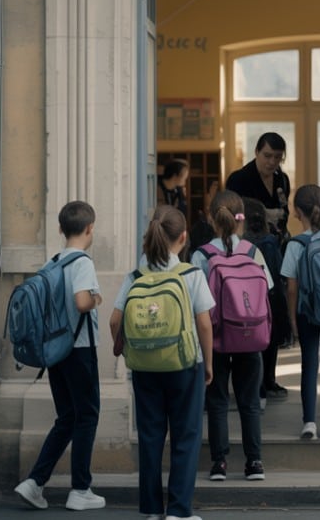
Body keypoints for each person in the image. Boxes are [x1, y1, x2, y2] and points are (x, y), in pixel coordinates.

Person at [109, 205, 214, 520]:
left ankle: (152, 508)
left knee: (150, 436)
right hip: (184, 364)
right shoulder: (190, 274)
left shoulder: (135, 276)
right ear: (183, 237)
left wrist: (125, 351)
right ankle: (179, 510)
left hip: (145, 366)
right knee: (186, 435)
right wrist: (208, 364)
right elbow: (204, 324)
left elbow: (114, 320)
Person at [14, 201, 107, 512]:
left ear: (60, 229)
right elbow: (81, 302)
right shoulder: (83, 263)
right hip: (80, 349)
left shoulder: (51, 262)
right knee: (87, 416)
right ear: (90, 228)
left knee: (67, 417)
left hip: (56, 351)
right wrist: (96, 298)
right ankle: (80, 489)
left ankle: (34, 482)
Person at [190, 190, 273, 482]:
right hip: (250, 336)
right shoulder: (252, 251)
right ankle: (254, 462)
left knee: (217, 401)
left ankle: (219, 463)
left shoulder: (201, 255)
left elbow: (196, 302)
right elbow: (267, 290)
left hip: (216, 338)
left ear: (211, 218)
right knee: (250, 402)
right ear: (241, 219)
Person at [280, 184, 320, 441]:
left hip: (308, 312)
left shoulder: (295, 245)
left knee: (309, 364)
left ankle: (309, 423)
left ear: (297, 211)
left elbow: (291, 288)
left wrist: (292, 319)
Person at [241, 197, 290, 401]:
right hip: (271, 298)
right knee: (270, 344)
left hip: (247, 301)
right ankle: (269, 381)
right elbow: (279, 273)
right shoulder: (270, 241)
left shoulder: (242, 244)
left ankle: (256, 385)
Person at [225, 132, 291, 241]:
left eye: (277, 157)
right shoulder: (238, 179)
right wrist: (262, 214)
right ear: (256, 152)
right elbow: (231, 216)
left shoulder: (282, 179)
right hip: (248, 243)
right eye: (267, 156)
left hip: (277, 242)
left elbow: (285, 212)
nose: (272, 162)